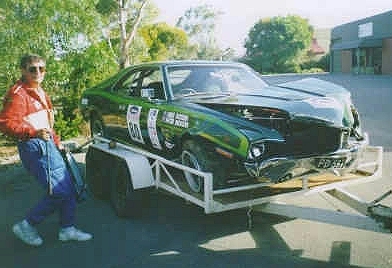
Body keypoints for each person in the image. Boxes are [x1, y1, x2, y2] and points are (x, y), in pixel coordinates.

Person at [0, 53, 92, 246]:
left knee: (69, 184)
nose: (38, 72)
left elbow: (46, 124)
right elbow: (6, 123)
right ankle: (27, 225)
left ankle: (67, 228)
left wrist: (56, 142)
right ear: (23, 70)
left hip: (47, 144)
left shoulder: (39, 91)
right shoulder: (19, 93)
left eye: (41, 69)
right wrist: (32, 132)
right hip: (34, 147)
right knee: (59, 190)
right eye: (32, 69)